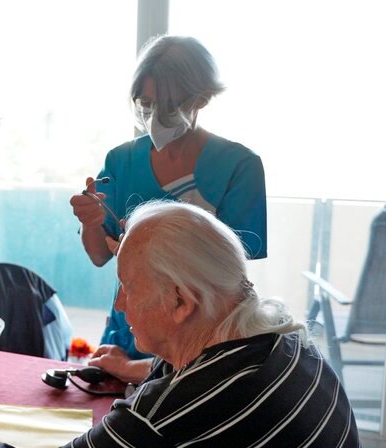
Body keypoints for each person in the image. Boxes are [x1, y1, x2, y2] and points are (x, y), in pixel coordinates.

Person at [0, 201, 359, 448]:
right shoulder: (290, 342)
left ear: (181, 301)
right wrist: (137, 369)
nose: (119, 305)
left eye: (127, 286)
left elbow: (182, 409)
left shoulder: (166, 415)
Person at [69, 35, 267, 384]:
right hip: (128, 332)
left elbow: (230, 277)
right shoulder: (122, 160)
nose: (155, 115)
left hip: (200, 341)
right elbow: (100, 255)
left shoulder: (239, 166)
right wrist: (91, 222)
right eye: (146, 103)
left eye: (170, 105)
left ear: (202, 99)